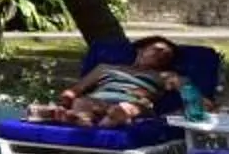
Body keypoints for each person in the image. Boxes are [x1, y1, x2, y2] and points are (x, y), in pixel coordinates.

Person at [39, 38, 184, 129]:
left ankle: (78, 119)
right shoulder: (106, 68)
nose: (162, 55)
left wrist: (202, 103)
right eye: (158, 50)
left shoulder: (164, 76)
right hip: (98, 102)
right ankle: (85, 120)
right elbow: (76, 89)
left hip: (136, 105)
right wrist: (64, 101)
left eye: (167, 55)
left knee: (122, 109)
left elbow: (189, 90)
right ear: (140, 50)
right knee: (82, 101)